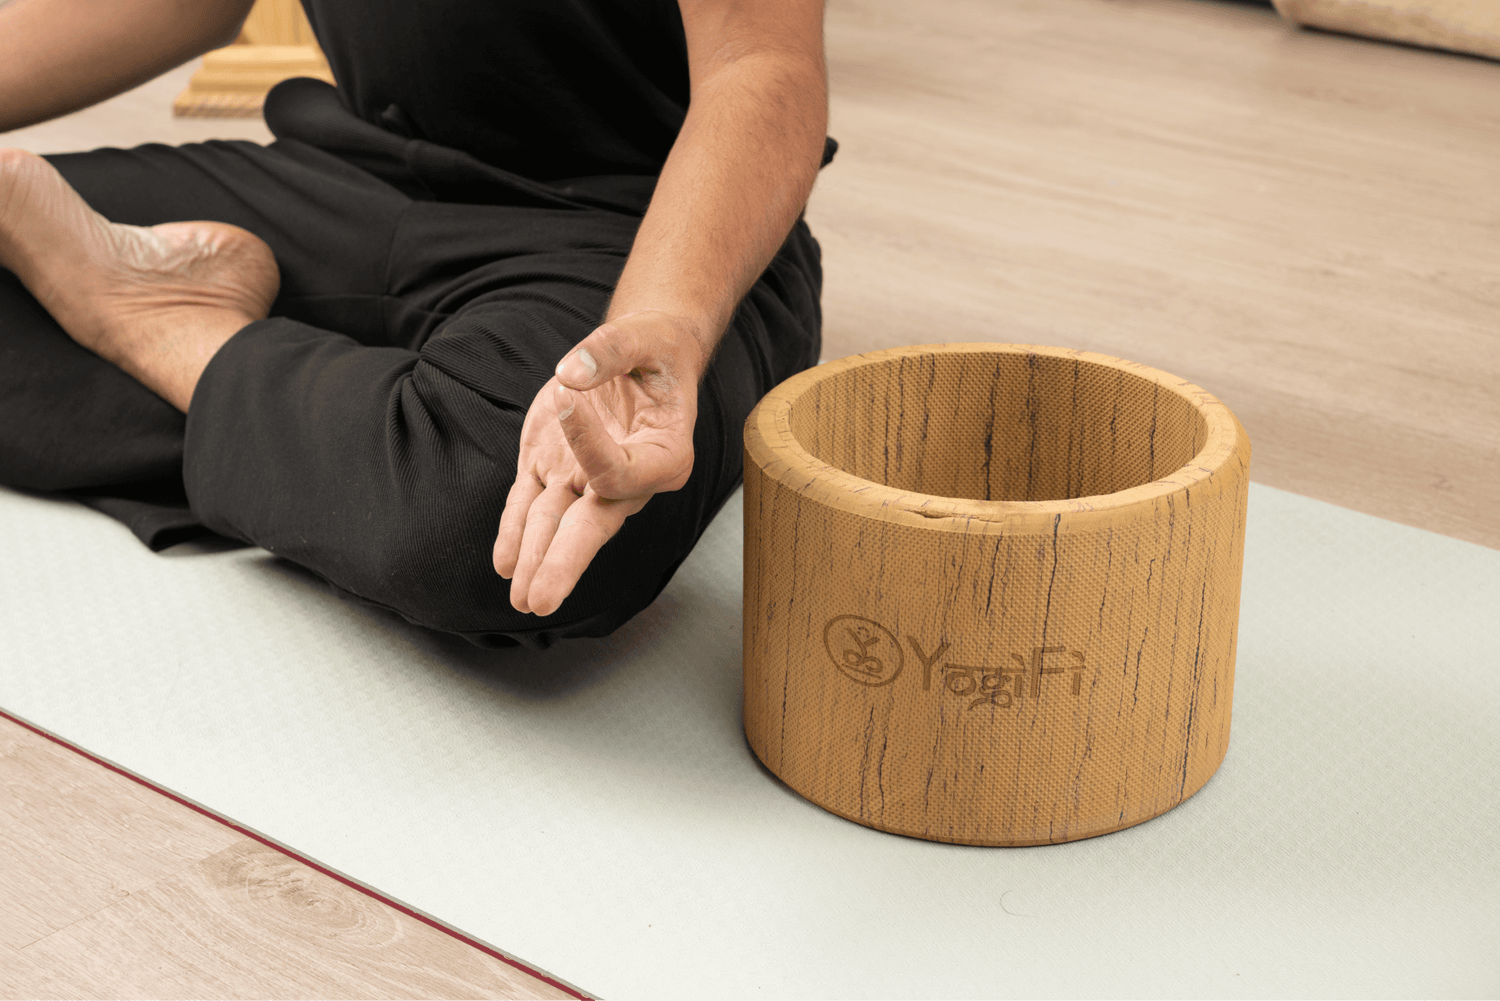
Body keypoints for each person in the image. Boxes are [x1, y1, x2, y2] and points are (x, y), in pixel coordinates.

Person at [0, 0, 831, 649]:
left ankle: (168, 333)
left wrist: (667, 315)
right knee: (455, 480)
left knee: (508, 514)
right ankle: (365, 436)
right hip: (356, 172)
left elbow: (759, 65)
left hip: (646, 233)